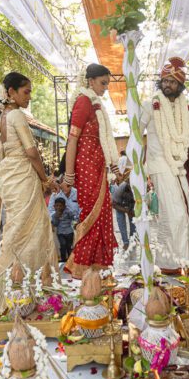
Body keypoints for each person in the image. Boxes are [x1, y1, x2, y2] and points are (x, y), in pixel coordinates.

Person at [0, 72, 58, 316]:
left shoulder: (2, 117)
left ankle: (19, 291)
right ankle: (19, 292)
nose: (30, 97)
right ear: (10, 92)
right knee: (27, 232)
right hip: (23, 177)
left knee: (18, 232)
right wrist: (45, 180)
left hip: (10, 177)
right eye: (26, 92)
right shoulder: (16, 115)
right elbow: (32, 152)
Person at [138, 57, 189, 272]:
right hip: (159, 165)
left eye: (173, 82)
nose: (168, 85)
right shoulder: (150, 105)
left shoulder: (188, 107)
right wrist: (135, 167)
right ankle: (169, 263)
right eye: (165, 81)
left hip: (180, 165)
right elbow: (135, 133)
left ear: (180, 85)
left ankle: (185, 261)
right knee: (175, 214)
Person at [62, 63, 120, 279]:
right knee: (91, 214)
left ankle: (97, 265)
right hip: (87, 165)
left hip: (98, 165)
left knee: (103, 212)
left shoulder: (96, 104)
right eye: (103, 83)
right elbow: (72, 139)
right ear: (90, 80)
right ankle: (83, 266)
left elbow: (103, 141)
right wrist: (69, 174)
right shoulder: (84, 101)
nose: (105, 88)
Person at [112, 171, 136, 249]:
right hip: (118, 205)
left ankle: (132, 239)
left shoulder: (138, 188)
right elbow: (113, 204)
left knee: (133, 221)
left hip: (130, 204)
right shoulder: (121, 188)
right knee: (121, 222)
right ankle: (125, 242)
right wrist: (125, 210)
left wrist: (131, 211)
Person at [50, 197, 76, 262]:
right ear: (54, 206)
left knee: (69, 246)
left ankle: (70, 260)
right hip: (60, 233)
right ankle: (63, 259)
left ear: (64, 206)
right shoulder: (54, 215)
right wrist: (57, 216)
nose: (58, 207)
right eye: (57, 206)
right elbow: (55, 224)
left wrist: (75, 223)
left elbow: (74, 217)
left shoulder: (68, 212)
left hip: (69, 232)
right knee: (62, 245)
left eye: (60, 206)